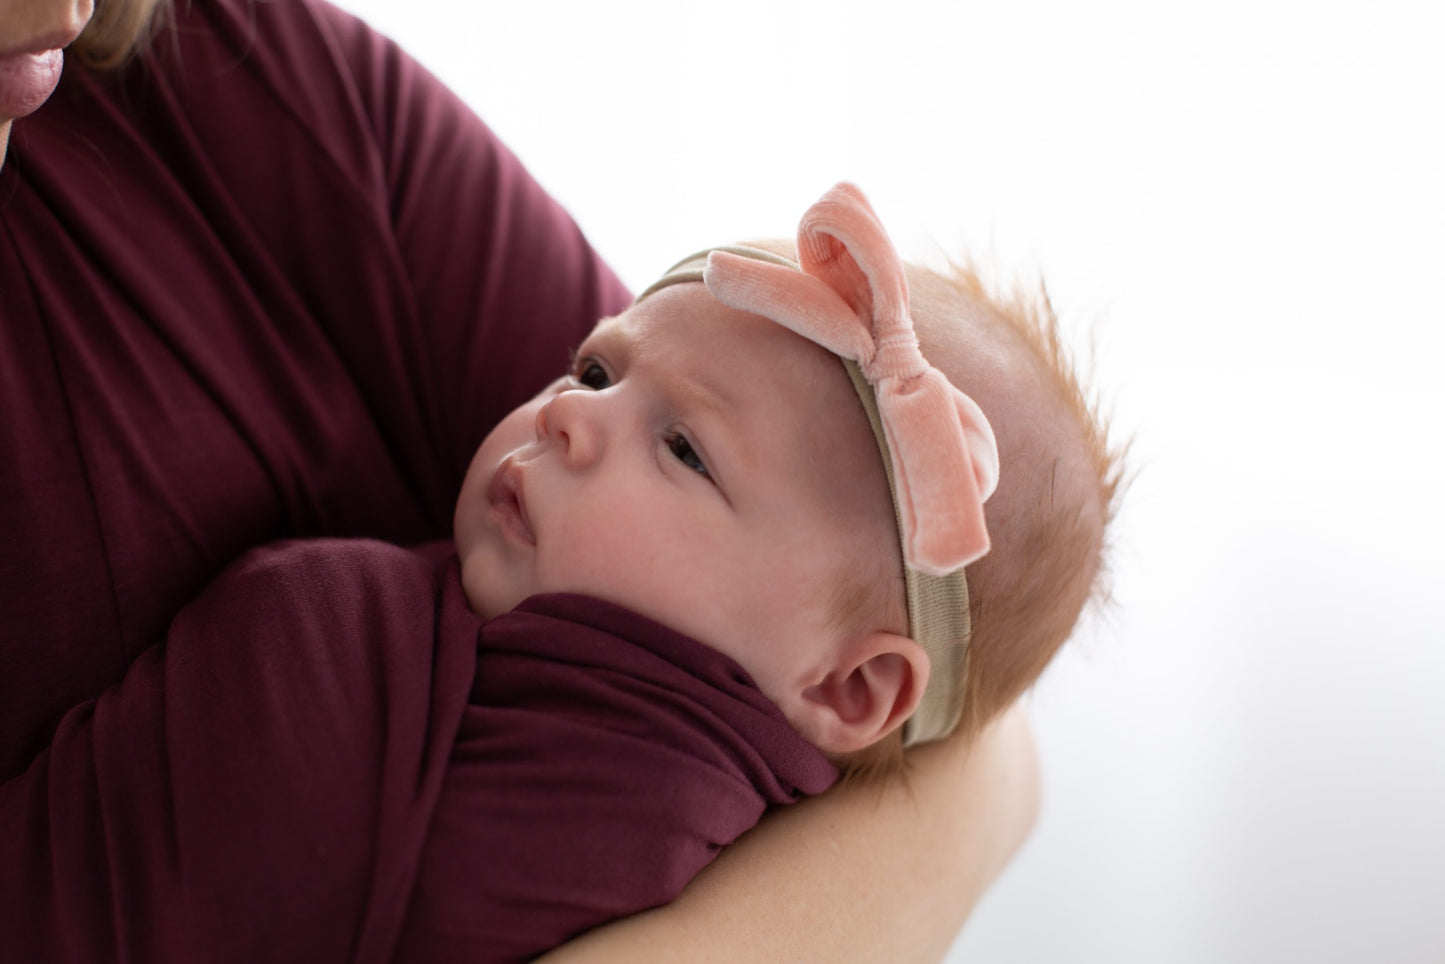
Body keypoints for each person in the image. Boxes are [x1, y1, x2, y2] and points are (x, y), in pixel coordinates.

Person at [1, 0, 1055, 960]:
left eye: (681, 448)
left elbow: (989, 764)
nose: (566, 411)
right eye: (594, 369)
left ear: (847, 687)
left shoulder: (225, 72)